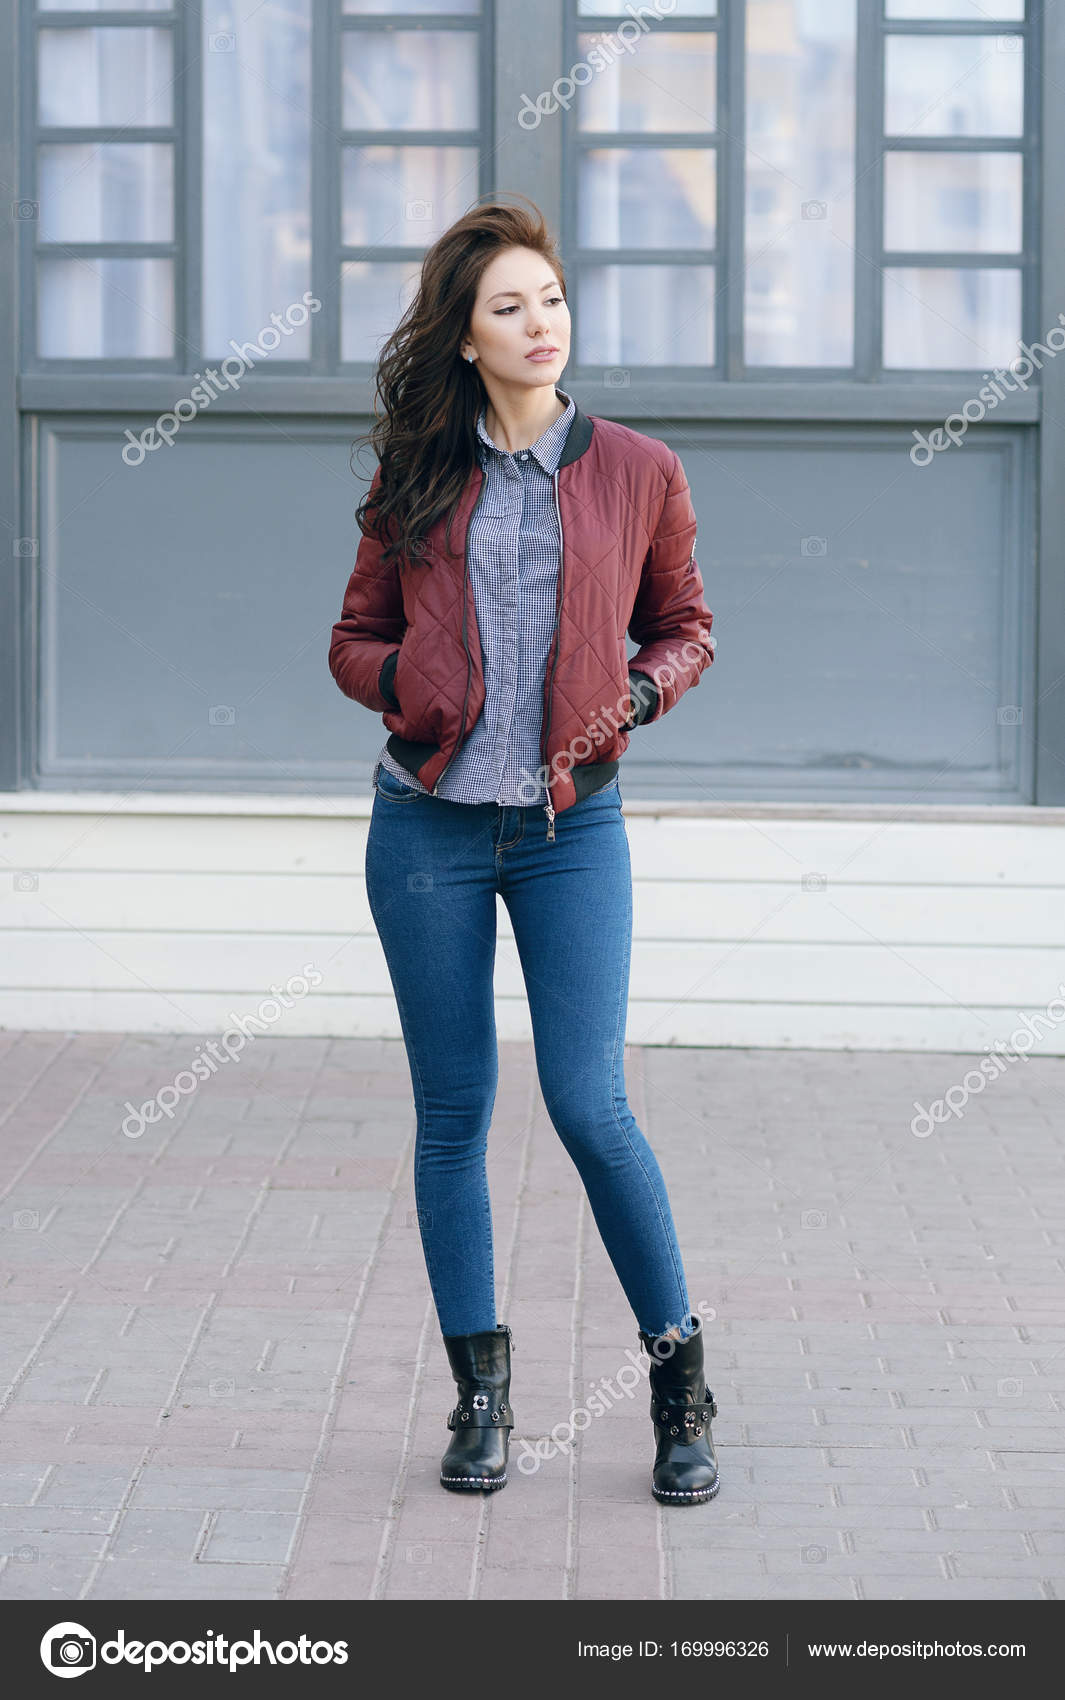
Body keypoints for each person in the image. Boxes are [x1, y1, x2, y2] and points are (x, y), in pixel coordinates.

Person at [328, 197, 719, 1504]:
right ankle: (479, 1399)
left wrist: (643, 692)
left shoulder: (637, 468)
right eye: (508, 306)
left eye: (549, 298)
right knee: (453, 1118)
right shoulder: (416, 473)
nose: (539, 323)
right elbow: (349, 638)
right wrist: (410, 680)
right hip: (425, 830)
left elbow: (686, 624)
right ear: (463, 338)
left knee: (588, 1104)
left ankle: (678, 1386)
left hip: (570, 832)